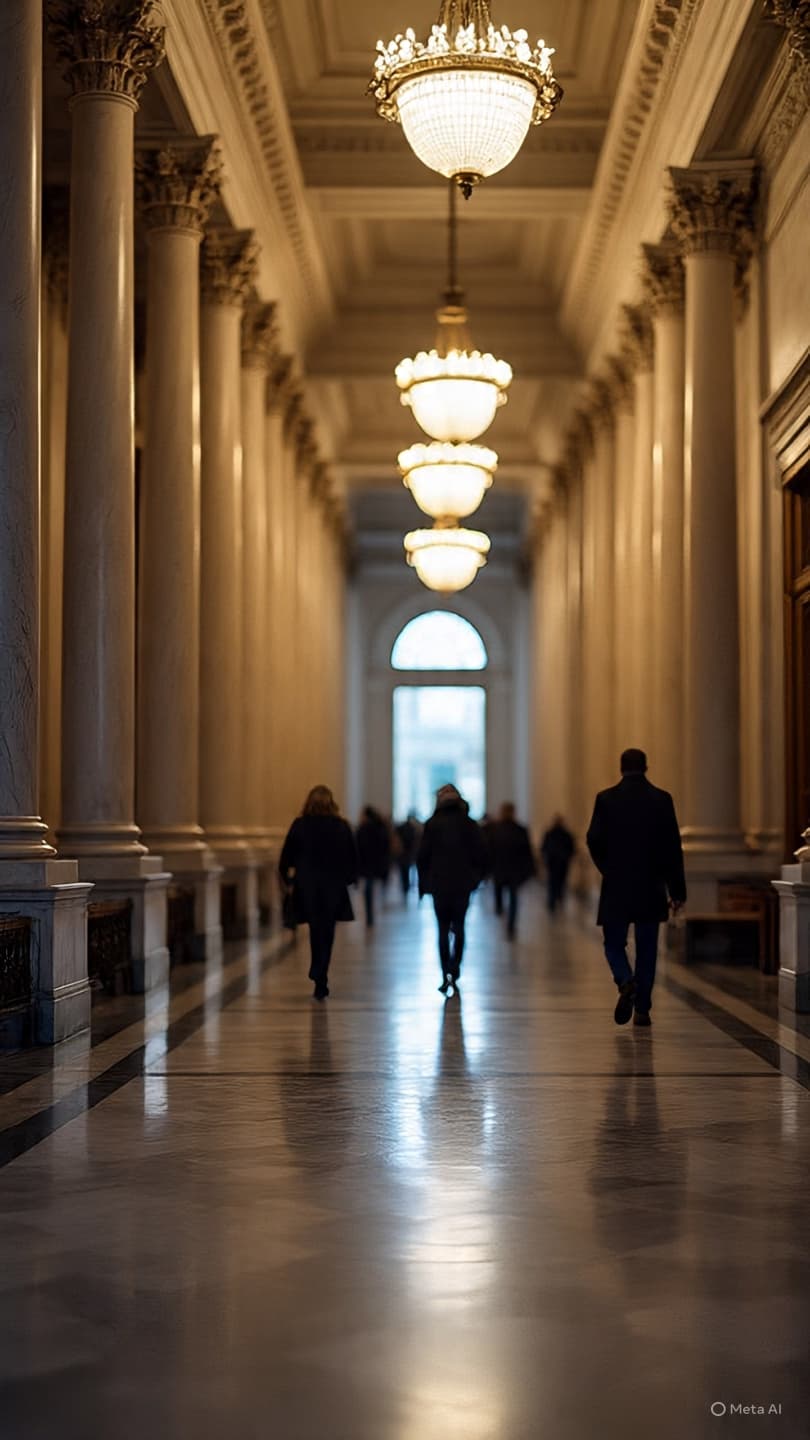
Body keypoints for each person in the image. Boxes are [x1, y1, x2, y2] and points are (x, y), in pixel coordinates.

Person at [586, 748, 686, 1027]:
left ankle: (624, 979)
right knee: (647, 948)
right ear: (646, 767)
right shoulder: (662, 800)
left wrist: (608, 868)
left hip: (617, 885)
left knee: (614, 943)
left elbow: (593, 839)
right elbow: (672, 850)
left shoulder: (606, 799)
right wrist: (677, 891)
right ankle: (642, 1008)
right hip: (651, 887)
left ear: (621, 768)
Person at [279, 785, 358, 1000]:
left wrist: (288, 880)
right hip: (333, 886)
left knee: (315, 929)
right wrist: (349, 879)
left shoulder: (300, 825)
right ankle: (321, 972)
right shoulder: (341, 826)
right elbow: (352, 857)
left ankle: (318, 970)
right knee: (328, 931)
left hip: (308, 886)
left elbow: (286, 857)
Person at [417, 784, 488, 996]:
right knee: (459, 926)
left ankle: (444, 973)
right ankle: (455, 969)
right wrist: (475, 879)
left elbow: (422, 857)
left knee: (442, 928)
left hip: (439, 884)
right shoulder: (469, 824)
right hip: (462, 884)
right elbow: (482, 854)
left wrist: (424, 885)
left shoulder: (432, 824)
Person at [489, 802, 536, 939]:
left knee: (511, 897)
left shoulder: (499, 830)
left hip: (505, 870)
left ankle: (509, 921)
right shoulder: (517, 830)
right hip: (511, 870)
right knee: (512, 897)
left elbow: (526, 852)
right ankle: (508, 920)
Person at [355, 805, 391, 927]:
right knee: (370, 888)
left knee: (368, 889)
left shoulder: (362, 828)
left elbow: (358, 848)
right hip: (374, 863)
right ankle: (370, 916)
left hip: (366, 864)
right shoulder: (379, 828)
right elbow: (384, 845)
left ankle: (370, 916)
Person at [540, 814, 576, 913]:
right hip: (555, 862)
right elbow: (544, 847)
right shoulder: (552, 833)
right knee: (555, 882)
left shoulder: (565, 834)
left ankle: (556, 898)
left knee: (558, 882)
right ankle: (553, 900)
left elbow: (571, 848)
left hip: (559, 862)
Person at [394, 814, 420, 898]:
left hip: (403, 854)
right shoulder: (412, 829)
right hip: (408, 854)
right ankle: (406, 887)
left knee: (403, 871)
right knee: (406, 870)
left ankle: (405, 887)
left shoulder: (401, 828)